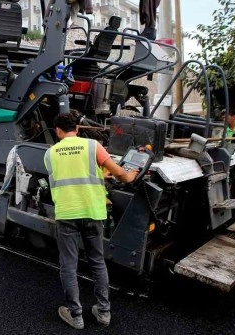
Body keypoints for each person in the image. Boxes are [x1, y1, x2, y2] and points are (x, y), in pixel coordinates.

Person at [43, 112, 138, 330]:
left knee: (68, 264)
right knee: (97, 261)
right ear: (77, 128)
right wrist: (132, 175)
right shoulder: (93, 146)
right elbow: (121, 175)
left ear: (58, 131)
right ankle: (103, 312)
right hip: (93, 212)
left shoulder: (50, 154)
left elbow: (66, 174)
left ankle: (75, 315)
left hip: (67, 214)